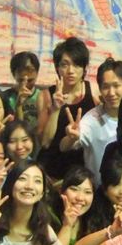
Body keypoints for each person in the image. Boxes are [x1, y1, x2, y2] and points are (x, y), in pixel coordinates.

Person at [59, 58, 122, 185]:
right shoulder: (92, 120)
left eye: (116, 86)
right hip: (100, 191)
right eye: (105, 87)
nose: (111, 93)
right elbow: (64, 147)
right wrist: (70, 138)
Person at [38, 37, 99, 182]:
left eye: (76, 65)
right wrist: (55, 109)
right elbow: (45, 142)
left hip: (84, 170)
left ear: (84, 68)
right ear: (57, 68)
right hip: (51, 169)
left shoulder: (95, 91)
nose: (71, 71)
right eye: (65, 65)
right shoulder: (46, 96)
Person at [3, 51, 50, 142]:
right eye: (21, 80)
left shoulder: (43, 97)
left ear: (37, 73)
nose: (25, 84)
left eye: (30, 80)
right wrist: (19, 105)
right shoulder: (6, 97)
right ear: (14, 74)